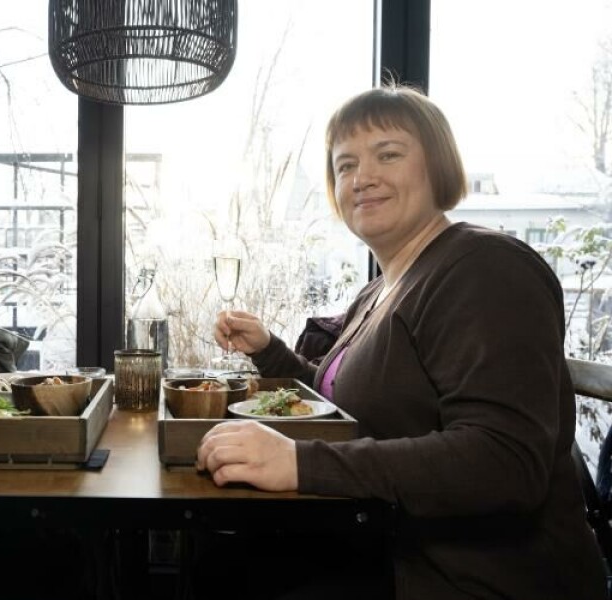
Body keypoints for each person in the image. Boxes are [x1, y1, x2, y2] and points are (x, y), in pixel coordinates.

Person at [198, 85, 609, 599]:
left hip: (466, 579)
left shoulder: (485, 268)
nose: (362, 178)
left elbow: (503, 461)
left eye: (387, 155)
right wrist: (268, 350)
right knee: (218, 561)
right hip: (383, 542)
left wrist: (301, 463)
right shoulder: (381, 289)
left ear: (438, 167)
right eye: (345, 166)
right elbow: (340, 404)